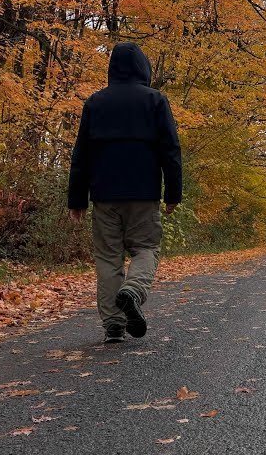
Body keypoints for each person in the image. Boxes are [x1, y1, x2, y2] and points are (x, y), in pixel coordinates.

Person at [68, 42, 182, 344]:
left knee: (108, 259)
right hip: (143, 194)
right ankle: (132, 291)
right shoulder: (156, 100)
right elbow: (170, 149)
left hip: (104, 195)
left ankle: (114, 326)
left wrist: (76, 199)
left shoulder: (95, 103)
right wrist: (173, 193)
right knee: (146, 249)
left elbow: (81, 155)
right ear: (143, 67)